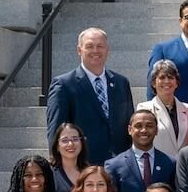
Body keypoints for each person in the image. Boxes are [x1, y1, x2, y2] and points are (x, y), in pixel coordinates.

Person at [46, 27, 134, 165]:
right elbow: (56, 130)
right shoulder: (64, 85)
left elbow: (129, 125)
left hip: (120, 166)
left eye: (100, 46)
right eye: (89, 46)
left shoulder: (121, 83)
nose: (95, 51)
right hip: (83, 166)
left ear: (107, 50)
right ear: (79, 50)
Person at [104, 109, 176, 192]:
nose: (143, 130)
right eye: (138, 126)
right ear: (129, 130)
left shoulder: (170, 163)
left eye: (149, 126)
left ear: (156, 130)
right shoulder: (114, 166)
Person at [136, 59, 188, 159]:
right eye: (162, 77)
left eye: (171, 77)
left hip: (183, 167)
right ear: (154, 83)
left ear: (176, 83)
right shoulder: (144, 109)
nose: (166, 81)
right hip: (159, 166)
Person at [49, 122, 88, 192]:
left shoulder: (90, 172)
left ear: (81, 143)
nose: (70, 144)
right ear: (57, 146)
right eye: (65, 140)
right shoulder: (49, 174)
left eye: (75, 139)